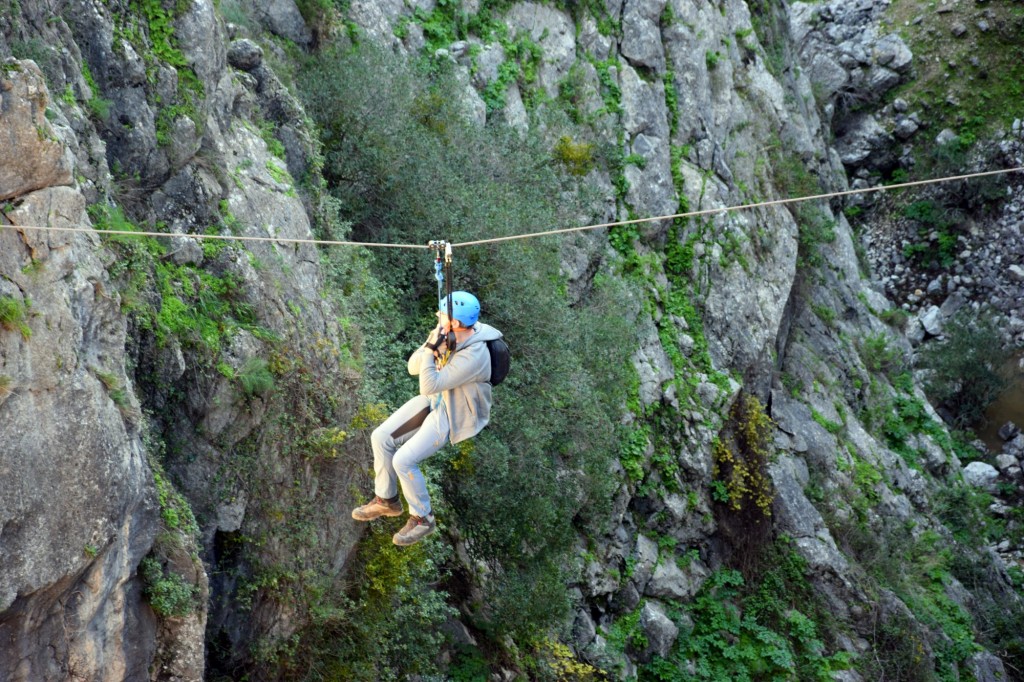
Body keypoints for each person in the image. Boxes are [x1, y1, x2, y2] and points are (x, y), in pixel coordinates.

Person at [351, 291, 503, 546]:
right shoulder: (446, 333)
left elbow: (428, 384)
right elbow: (413, 367)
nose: (437, 318)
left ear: (455, 323)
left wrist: (432, 350)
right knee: (381, 437)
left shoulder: (475, 355)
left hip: (453, 412)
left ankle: (423, 518)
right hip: (436, 400)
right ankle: (386, 500)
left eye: (441, 315)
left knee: (404, 460)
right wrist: (433, 348)